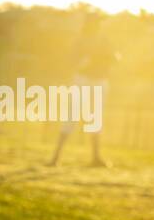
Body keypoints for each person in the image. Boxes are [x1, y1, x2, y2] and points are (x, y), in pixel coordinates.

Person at [49, 16, 118, 168]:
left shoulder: (104, 39)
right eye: (96, 23)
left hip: (100, 80)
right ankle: (55, 158)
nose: (98, 26)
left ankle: (96, 158)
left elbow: (114, 57)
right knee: (72, 116)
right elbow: (72, 61)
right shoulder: (80, 40)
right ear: (89, 24)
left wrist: (109, 58)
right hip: (83, 80)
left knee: (95, 118)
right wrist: (85, 61)